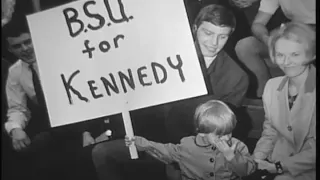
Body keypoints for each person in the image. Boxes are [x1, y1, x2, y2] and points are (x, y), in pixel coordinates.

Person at [2, 16, 78, 180]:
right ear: (9, 49)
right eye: (17, 46)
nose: (25, 48)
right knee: (39, 149)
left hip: (81, 121)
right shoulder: (15, 72)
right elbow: (17, 108)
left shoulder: (62, 56)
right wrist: (15, 129)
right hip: (53, 126)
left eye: (28, 42)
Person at [126, 100, 256, 180]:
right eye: (220, 135)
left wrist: (232, 157)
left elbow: (248, 171)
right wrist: (138, 142)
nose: (227, 138)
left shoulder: (237, 146)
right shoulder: (187, 146)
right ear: (202, 133)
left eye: (229, 132)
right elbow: (164, 150)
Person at [252, 22, 316, 180]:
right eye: (280, 55)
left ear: (311, 54)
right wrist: (255, 160)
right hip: (276, 161)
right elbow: (270, 132)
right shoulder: (272, 86)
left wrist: (279, 168)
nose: (286, 62)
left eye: (295, 54)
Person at [235, 0, 315, 98]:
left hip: (308, 33)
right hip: (291, 33)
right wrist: (267, 39)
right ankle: (266, 92)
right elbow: (258, 23)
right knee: (245, 46)